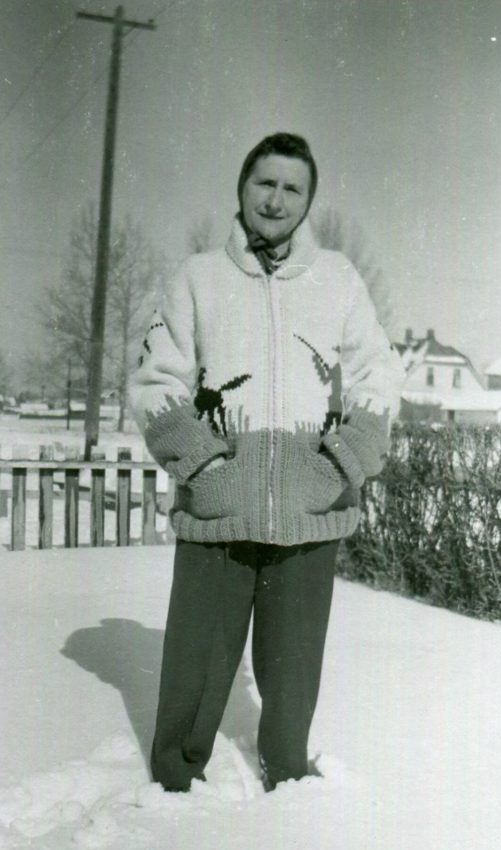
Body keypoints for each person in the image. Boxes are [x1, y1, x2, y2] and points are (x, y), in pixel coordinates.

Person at [130, 133, 404, 792]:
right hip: (218, 509)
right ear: (242, 187)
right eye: (265, 183)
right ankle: (175, 778)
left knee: (292, 667)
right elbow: (154, 379)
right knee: (197, 660)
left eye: (292, 188)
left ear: (307, 201)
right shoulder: (197, 277)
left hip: (309, 512)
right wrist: (202, 468)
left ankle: (287, 774)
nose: (276, 199)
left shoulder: (336, 278)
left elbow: (378, 372)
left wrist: (338, 465)